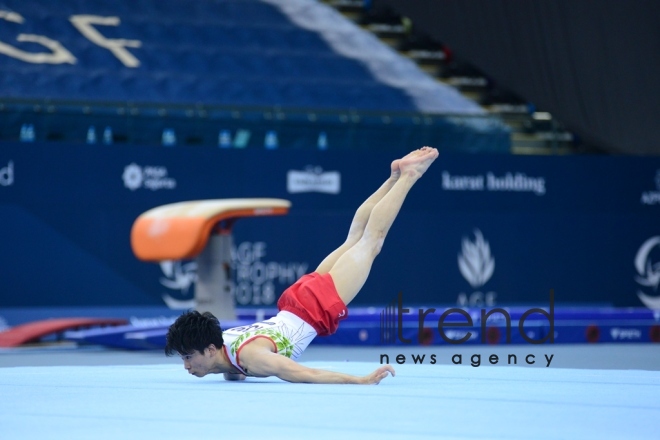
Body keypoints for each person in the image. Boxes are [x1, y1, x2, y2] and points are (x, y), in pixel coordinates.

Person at [165, 147, 439, 384]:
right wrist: (227, 371)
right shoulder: (225, 344)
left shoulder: (254, 358)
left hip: (313, 307)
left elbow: (308, 374)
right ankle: (393, 176)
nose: (186, 365)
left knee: (371, 242)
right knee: (355, 237)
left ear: (211, 349)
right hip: (296, 301)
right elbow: (232, 367)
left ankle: (408, 176)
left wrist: (361, 380)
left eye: (189, 357)